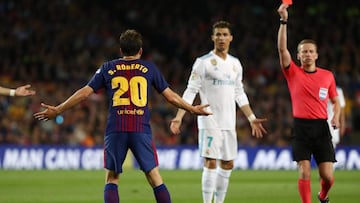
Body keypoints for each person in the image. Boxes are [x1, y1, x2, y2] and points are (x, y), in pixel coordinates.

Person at [33, 29, 211, 203]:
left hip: (116, 129)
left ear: (120, 50)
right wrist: (192, 109)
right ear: (140, 51)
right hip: (140, 129)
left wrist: (58, 109)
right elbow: (171, 97)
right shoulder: (149, 68)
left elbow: (84, 93)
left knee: (112, 177)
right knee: (154, 177)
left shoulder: (108, 68)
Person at [170, 21, 267, 203]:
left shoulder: (235, 64)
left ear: (231, 38)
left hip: (229, 122)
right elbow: (191, 90)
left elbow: (239, 92)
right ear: (212, 38)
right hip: (209, 120)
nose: (221, 38)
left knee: (228, 163)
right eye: (218, 34)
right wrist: (178, 117)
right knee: (211, 162)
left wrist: (252, 118)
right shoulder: (203, 62)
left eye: (225, 34)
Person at [277, 3, 340, 203]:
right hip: (301, 128)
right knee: (304, 172)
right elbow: (281, 48)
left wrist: (336, 116)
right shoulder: (292, 72)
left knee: (328, 177)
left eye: (310, 51)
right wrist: (283, 20)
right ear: (298, 56)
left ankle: (323, 195)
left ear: (316, 55)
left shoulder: (327, 76)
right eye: (303, 52)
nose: (307, 54)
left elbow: (335, 101)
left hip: (321, 127)